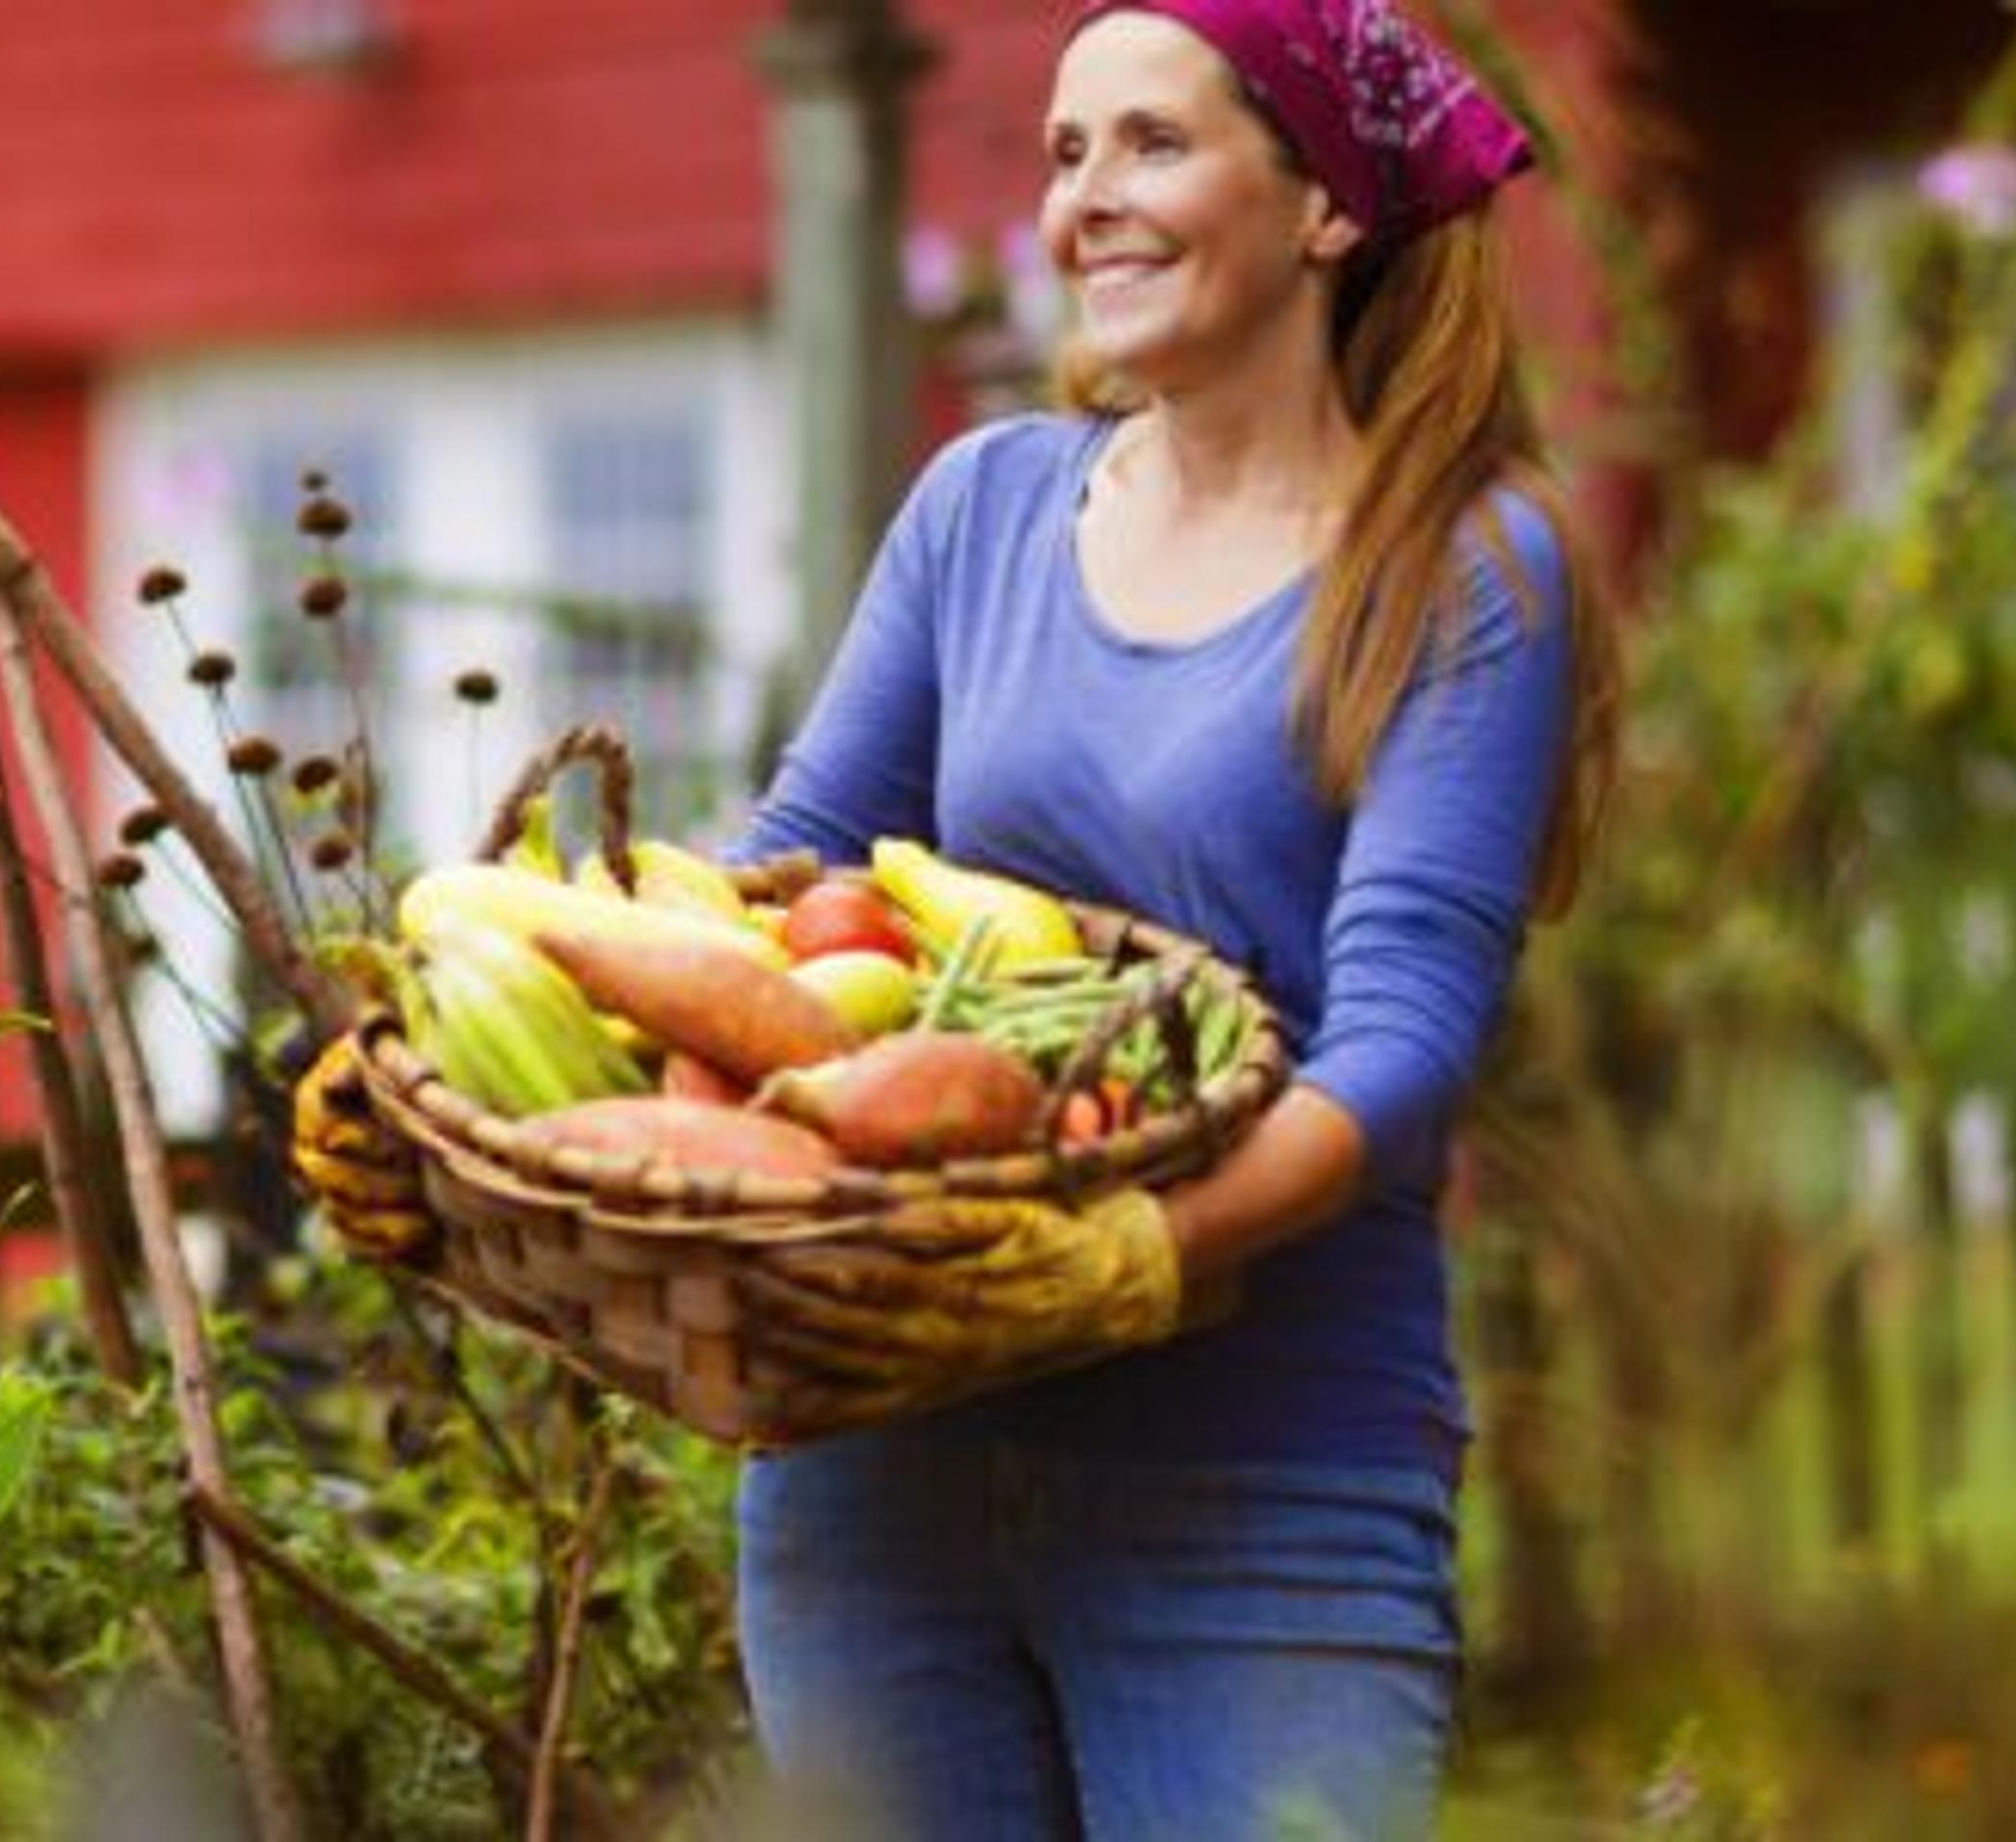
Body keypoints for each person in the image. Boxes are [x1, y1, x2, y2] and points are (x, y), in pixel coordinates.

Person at [300, 0, 1614, 1831]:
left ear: (1324, 205)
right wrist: (463, 1111)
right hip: (877, 1494)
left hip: (1262, 1490)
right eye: (1066, 152)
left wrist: (1132, 1263)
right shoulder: (982, 509)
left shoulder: (1460, 567)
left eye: (1152, 143)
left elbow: (1400, 1045)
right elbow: (790, 903)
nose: (1086, 201)